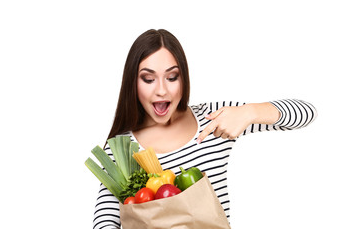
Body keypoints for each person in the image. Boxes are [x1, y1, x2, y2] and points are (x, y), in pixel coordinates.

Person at [92, 29, 317, 229]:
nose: (161, 90)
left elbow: (306, 113)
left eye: (172, 77)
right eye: (148, 79)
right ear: (133, 82)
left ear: (184, 78)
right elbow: (104, 221)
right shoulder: (120, 148)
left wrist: (249, 112)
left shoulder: (213, 120)